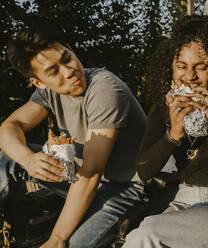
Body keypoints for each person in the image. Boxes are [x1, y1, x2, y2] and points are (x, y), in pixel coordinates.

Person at [0, 24, 147, 248]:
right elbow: (11, 125)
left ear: (71, 50)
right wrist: (28, 159)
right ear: (38, 82)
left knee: (70, 245)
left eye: (67, 59)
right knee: (7, 159)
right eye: (53, 71)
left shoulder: (104, 89)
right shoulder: (46, 91)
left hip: (127, 186)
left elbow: (92, 173)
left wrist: (56, 239)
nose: (69, 71)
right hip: (80, 176)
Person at [122, 15, 208, 248]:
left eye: (200, 67)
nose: (190, 76)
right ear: (171, 68)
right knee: (143, 234)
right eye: (181, 66)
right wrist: (173, 133)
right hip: (184, 202)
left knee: (145, 235)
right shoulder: (164, 106)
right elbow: (144, 171)